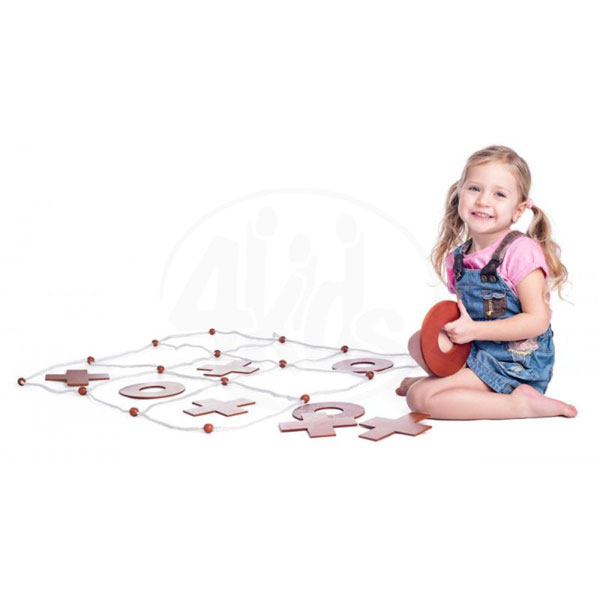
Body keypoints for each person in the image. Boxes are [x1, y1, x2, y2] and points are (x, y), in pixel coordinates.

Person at [398, 145, 577, 419]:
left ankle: (521, 403)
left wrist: (473, 331)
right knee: (418, 342)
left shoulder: (520, 251)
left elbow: (537, 321)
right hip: (481, 353)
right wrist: (458, 330)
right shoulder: (457, 258)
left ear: (518, 210)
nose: (483, 200)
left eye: (499, 194)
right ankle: (454, 385)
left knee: (419, 398)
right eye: (474, 189)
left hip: (516, 364)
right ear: (459, 193)